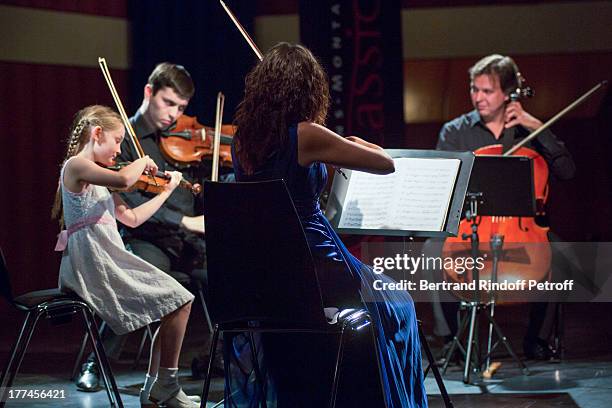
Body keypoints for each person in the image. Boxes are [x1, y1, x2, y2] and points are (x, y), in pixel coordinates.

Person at [227, 42, 427, 407]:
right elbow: (386, 163)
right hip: (316, 266)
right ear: (308, 90)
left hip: (264, 273)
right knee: (399, 301)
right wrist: (354, 141)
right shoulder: (307, 135)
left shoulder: (241, 140)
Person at [75, 63, 222, 392]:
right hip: (146, 238)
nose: (174, 115)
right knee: (140, 275)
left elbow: (198, 190)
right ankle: (95, 363)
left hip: (187, 242)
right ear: (148, 93)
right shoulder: (121, 140)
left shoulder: (185, 139)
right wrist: (183, 220)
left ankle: (219, 354)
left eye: (181, 108)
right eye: (168, 103)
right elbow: (127, 204)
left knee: (235, 271)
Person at [52, 105, 198, 407]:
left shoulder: (100, 178)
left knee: (176, 303)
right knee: (180, 301)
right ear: (97, 134)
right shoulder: (76, 166)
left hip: (108, 258)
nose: (120, 149)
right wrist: (145, 159)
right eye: (117, 140)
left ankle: (157, 388)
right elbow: (122, 180)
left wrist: (166, 191)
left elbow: (131, 218)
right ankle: (165, 386)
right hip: (94, 264)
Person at [435, 54, 576, 360]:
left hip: (522, 232)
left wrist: (537, 126)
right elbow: (442, 182)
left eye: (487, 91)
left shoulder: (531, 133)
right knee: (433, 251)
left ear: (509, 93)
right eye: (475, 89)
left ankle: (536, 340)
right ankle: (452, 342)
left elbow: (567, 171)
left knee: (560, 254)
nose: (478, 97)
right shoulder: (455, 131)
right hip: (471, 227)